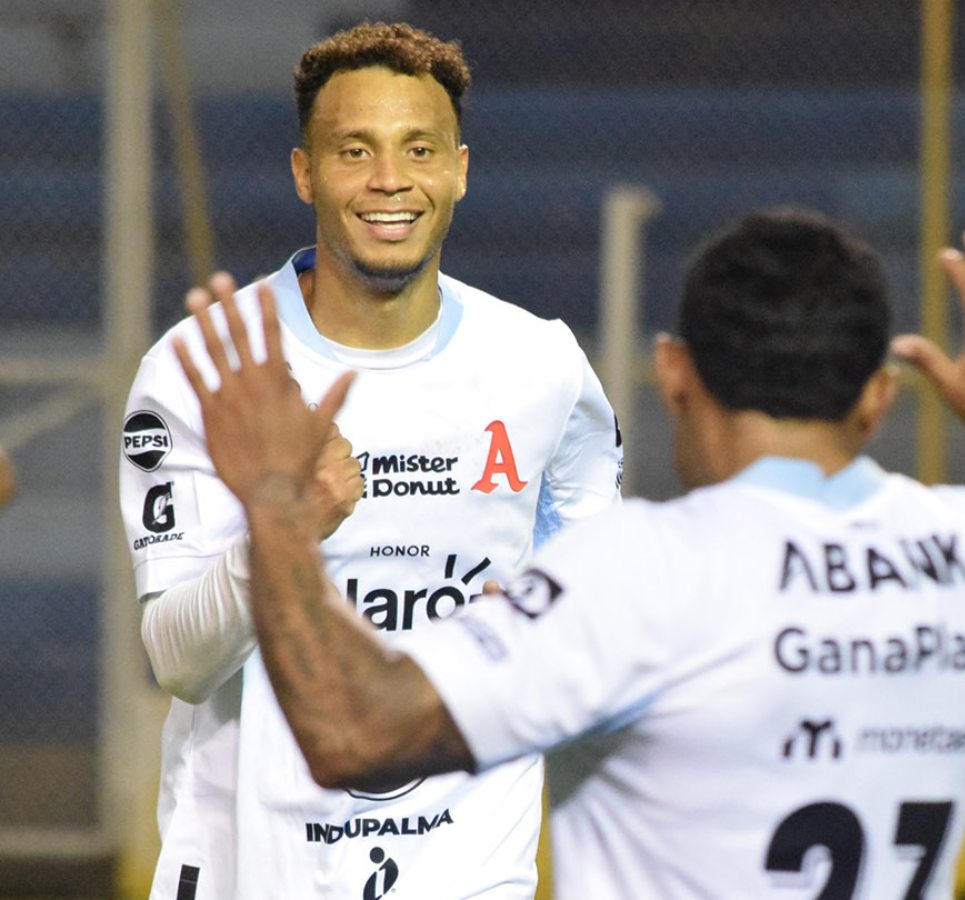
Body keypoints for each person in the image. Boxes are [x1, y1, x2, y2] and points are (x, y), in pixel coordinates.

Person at [174, 208, 965, 899]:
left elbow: (354, 729)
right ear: (878, 398)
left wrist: (274, 505)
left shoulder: (643, 573)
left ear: (674, 374)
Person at [119, 21, 622, 900]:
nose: (391, 180)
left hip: (469, 874)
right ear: (305, 172)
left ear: (459, 169)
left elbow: (596, 614)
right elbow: (178, 661)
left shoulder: (541, 365)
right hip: (250, 872)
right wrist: (286, 524)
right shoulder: (205, 368)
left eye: (418, 148)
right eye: (355, 150)